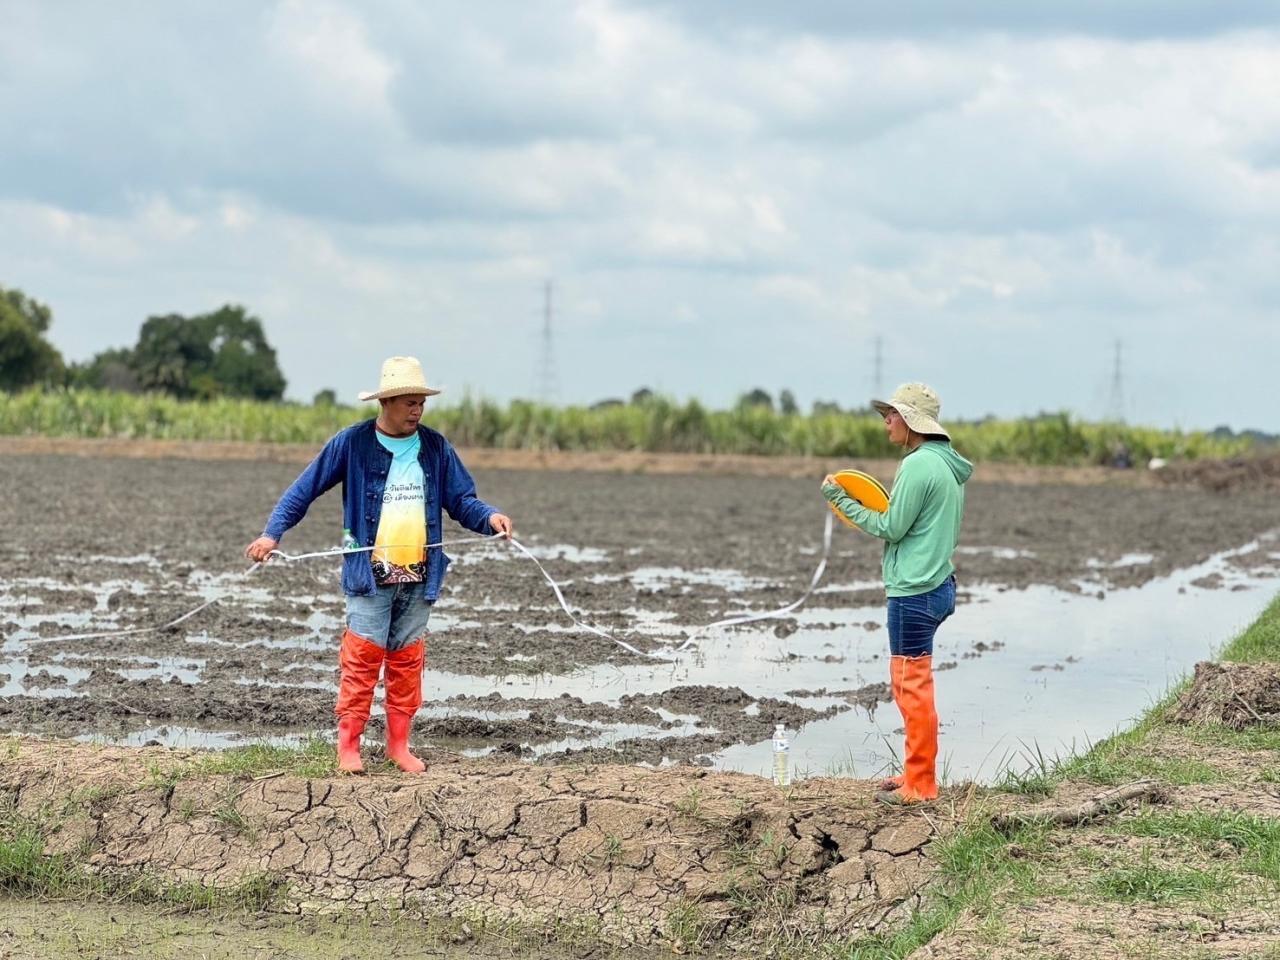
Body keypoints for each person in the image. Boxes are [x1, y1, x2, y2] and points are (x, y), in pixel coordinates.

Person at [245, 356, 513, 774]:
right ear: (386, 402)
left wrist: (489, 517)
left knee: (407, 660)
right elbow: (303, 491)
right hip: (370, 576)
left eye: (421, 402)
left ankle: (398, 746)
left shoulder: (436, 448)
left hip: (420, 574)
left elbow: (462, 501)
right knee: (363, 658)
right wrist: (271, 534)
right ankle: (349, 747)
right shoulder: (351, 444)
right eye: (409, 402)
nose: (417, 410)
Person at [821, 383, 972, 805]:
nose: (886, 422)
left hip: (914, 592)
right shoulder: (946, 464)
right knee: (914, 684)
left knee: (911, 687)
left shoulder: (919, 466)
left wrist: (839, 498)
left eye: (891, 415)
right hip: (939, 585)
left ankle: (920, 785)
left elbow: (890, 527)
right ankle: (914, 772)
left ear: (911, 421)